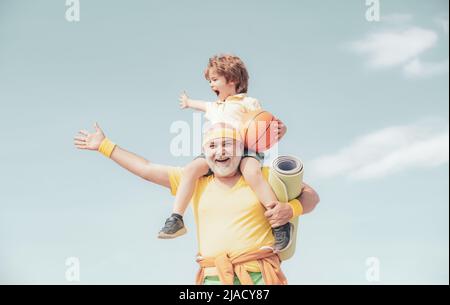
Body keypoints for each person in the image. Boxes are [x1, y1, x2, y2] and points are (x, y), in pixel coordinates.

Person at [73, 123, 320, 284]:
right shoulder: (195, 181)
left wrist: (292, 209)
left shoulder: (262, 176)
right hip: (213, 277)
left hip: (258, 276)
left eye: (227, 144)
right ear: (204, 153)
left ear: (241, 150)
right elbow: (146, 169)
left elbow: (311, 196)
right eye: (212, 146)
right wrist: (105, 146)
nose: (220, 151)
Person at [160, 54, 291, 252]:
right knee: (191, 169)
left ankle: (279, 222)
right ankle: (176, 218)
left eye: (214, 80)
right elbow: (200, 104)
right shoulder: (214, 106)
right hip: (217, 149)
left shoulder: (248, 102)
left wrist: (282, 130)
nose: (211, 84)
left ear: (232, 80)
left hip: (245, 149)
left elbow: (267, 124)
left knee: (252, 173)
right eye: (210, 80)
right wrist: (187, 102)